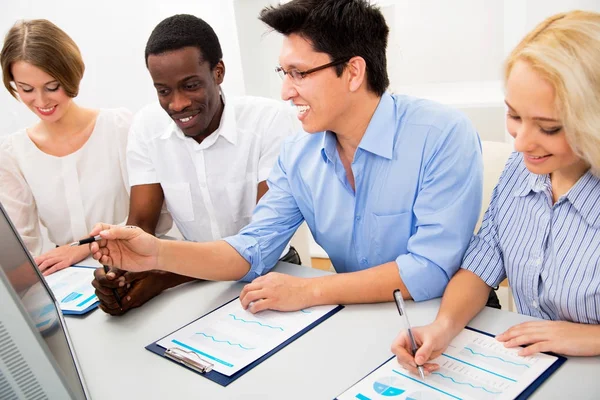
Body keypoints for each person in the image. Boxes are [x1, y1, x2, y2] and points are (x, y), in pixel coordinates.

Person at [89, 0, 485, 313]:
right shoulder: (299, 153)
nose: (286, 92)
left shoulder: (442, 135)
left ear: (353, 72)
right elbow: (252, 248)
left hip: (447, 319)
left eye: (299, 73)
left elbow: (430, 270)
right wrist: (157, 252)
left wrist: (310, 290)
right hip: (356, 317)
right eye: (284, 74)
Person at [392, 11, 600, 373]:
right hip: (529, 367)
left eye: (548, 128)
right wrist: (443, 327)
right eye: (515, 116)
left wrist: (593, 337)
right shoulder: (523, 169)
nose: (520, 142)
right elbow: (483, 261)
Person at [91, 14, 300, 315]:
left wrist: (163, 275)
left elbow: (260, 246)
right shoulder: (147, 128)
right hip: (189, 281)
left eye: (190, 86)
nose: (177, 104)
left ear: (218, 72)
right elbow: (141, 223)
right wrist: (121, 272)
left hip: (274, 273)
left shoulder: (269, 121)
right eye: (163, 91)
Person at [0, 19, 139, 275]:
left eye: (52, 86)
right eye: (26, 89)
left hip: (132, 267)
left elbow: (153, 217)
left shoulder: (119, 127)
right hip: (66, 281)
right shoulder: (14, 153)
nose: (41, 101)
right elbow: (20, 248)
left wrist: (84, 247)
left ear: (72, 74)